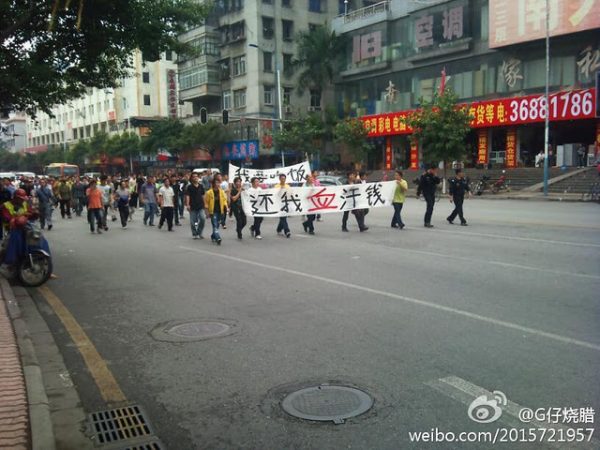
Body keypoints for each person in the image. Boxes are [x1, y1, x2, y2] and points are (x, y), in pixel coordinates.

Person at [204, 177, 227, 245]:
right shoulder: (209, 192)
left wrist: (226, 206)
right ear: (213, 184)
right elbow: (206, 202)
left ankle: (213, 236)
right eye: (216, 183)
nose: (218, 184)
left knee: (217, 225)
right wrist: (207, 212)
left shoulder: (222, 192)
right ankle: (218, 238)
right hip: (213, 211)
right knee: (214, 225)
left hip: (220, 211)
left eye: (218, 183)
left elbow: (224, 200)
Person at [185, 172, 206, 240]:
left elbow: (203, 195)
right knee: (192, 222)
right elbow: (187, 196)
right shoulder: (189, 187)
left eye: (196, 176)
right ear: (191, 178)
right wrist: (188, 205)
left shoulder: (201, 186)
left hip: (201, 205)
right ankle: (194, 233)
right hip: (192, 206)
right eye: (194, 176)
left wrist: (205, 204)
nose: (195, 177)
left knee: (203, 218)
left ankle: (199, 232)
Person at [275, 174, 291, 238]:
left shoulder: (287, 186)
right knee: (283, 217)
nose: (283, 180)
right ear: (279, 179)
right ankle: (287, 231)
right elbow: (275, 194)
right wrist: (280, 189)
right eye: (282, 178)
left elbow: (290, 193)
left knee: (283, 217)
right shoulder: (277, 186)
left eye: (284, 178)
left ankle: (279, 229)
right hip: (279, 203)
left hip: (286, 203)